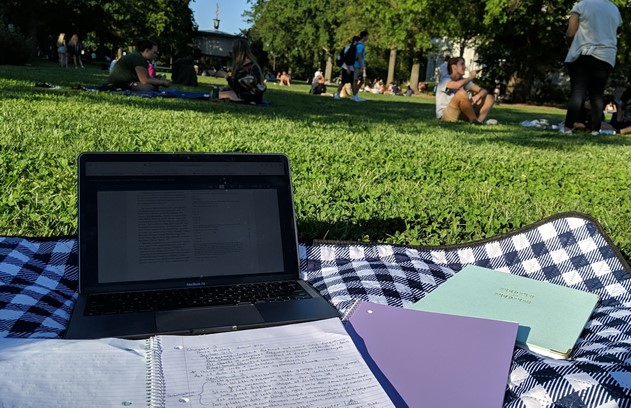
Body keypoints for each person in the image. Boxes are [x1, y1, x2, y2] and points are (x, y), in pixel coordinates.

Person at [561, 0, 622, 135]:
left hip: (584, 52)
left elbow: (570, 32)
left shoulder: (582, 5)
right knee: (597, 93)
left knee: (578, 91)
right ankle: (595, 129)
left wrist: (571, 44)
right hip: (606, 55)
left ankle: (568, 127)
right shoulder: (614, 9)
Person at [435, 56, 494, 123]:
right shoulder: (444, 79)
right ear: (454, 66)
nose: (465, 67)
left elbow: (484, 90)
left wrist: (478, 96)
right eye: (462, 64)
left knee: (490, 97)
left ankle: (479, 121)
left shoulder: (463, 81)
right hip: (446, 114)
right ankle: (474, 120)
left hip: (461, 113)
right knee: (461, 93)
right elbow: (457, 85)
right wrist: (471, 77)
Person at [209, 38, 266, 104]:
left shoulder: (248, 67)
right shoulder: (248, 65)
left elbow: (240, 87)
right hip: (249, 95)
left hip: (248, 96)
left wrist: (226, 76)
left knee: (215, 95)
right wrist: (226, 88)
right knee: (216, 92)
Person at [351, 30, 369, 102]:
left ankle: (355, 94)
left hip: (358, 65)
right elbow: (359, 56)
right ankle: (354, 96)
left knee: (361, 81)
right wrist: (361, 66)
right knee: (355, 80)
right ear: (364, 36)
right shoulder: (360, 45)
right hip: (357, 65)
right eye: (367, 36)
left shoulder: (359, 45)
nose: (367, 38)